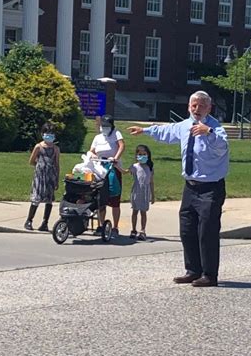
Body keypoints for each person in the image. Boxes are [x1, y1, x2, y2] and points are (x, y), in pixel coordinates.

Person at [129, 90, 229, 286]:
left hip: (211, 188)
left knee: (206, 231)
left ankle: (209, 275)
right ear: (189, 107)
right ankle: (193, 270)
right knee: (187, 229)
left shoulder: (216, 129)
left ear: (209, 108)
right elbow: (167, 132)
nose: (197, 109)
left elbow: (223, 146)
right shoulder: (184, 126)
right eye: (194, 105)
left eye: (201, 106)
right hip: (190, 187)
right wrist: (145, 130)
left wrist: (208, 132)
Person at [90, 114, 125, 234]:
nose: (104, 128)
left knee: (115, 198)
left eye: (107, 126)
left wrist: (115, 158)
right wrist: (93, 156)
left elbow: (121, 146)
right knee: (101, 197)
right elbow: (91, 151)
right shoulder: (97, 138)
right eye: (103, 125)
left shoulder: (116, 133)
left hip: (113, 166)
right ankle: (100, 224)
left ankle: (115, 227)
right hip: (100, 168)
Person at [24, 122, 60, 231]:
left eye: (51, 134)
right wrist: (39, 166)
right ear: (42, 134)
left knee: (49, 200)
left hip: (50, 176)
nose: (49, 136)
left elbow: (57, 164)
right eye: (47, 133)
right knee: (36, 198)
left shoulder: (55, 149)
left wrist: (56, 179)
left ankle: (45, 222)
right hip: (40, 176)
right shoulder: (38, 147)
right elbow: (31, 161)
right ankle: (29, 220)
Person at [124, 143, 155, 239]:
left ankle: (143, 230)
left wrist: (153, 195)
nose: (142, 156)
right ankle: (133, 229)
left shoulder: (150, 167)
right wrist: (116, 165)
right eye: (140, 154)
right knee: (135, 211)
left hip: (145, 192)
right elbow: (125, 172)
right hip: (136, 191)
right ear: (137, 156)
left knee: (143, 212)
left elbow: (151, 182)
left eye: (144, 154)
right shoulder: (134, 166)